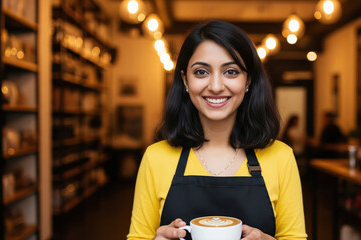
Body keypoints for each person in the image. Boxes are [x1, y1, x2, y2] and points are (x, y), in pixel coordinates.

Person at [127, 20, 307, 240]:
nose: (215, 86)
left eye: (230, 72)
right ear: (185, 80)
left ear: (248, 80)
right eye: (201, 72)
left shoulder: (281, 157)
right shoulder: (156, 158)